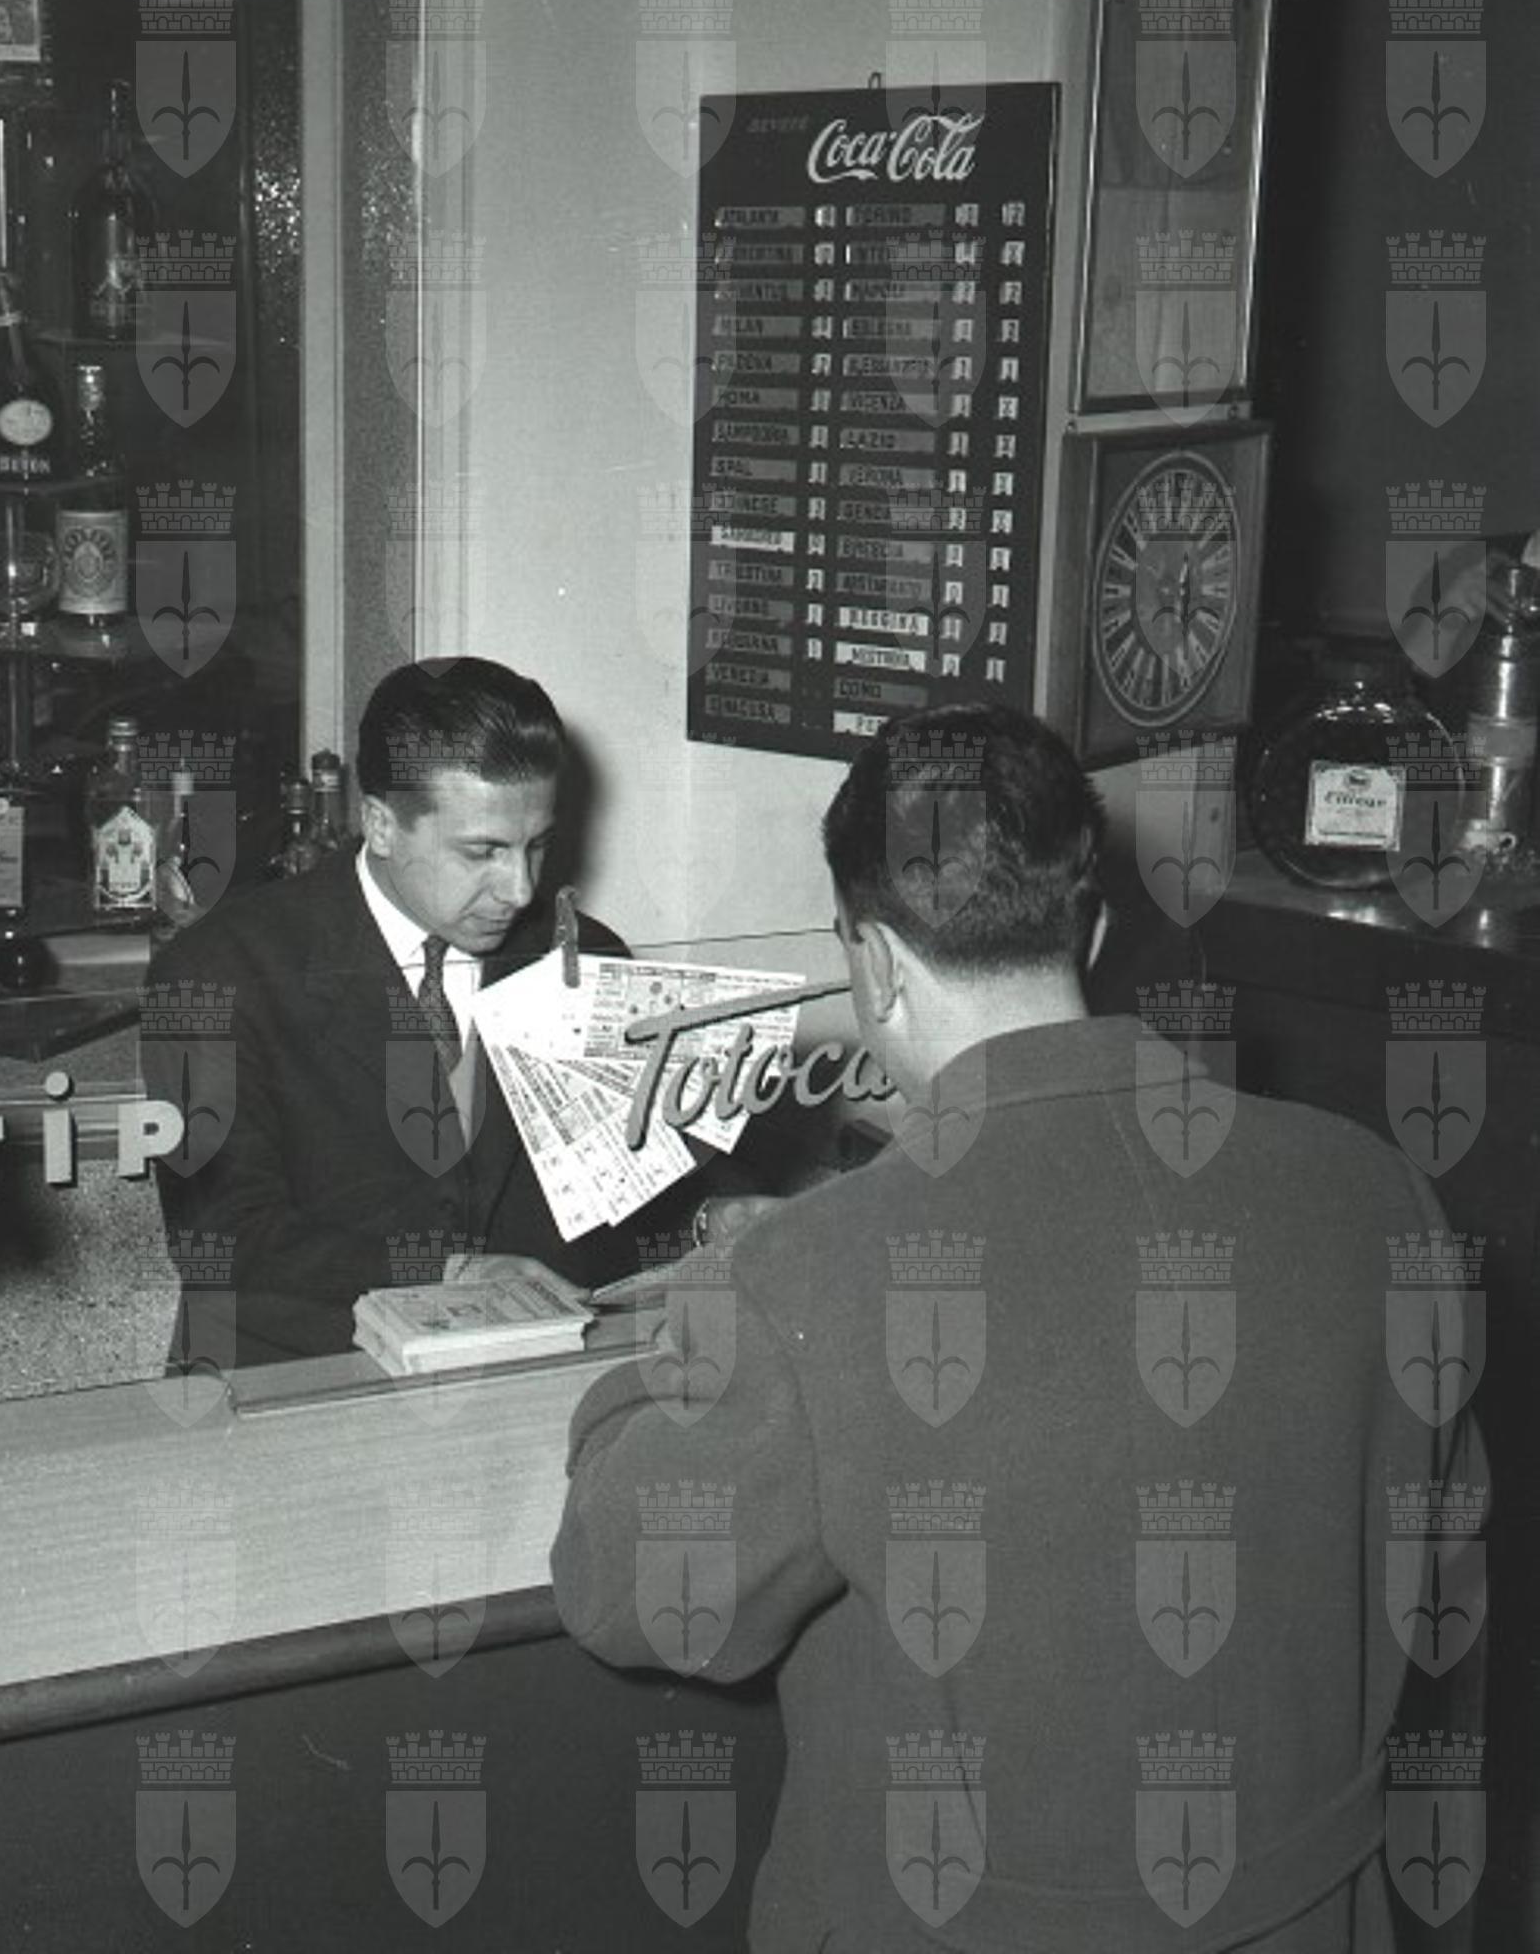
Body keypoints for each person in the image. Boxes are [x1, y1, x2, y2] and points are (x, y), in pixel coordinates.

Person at [550, 703, 1486, 1953]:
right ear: (1087, 929)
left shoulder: (812, 1274)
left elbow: (626, 1592)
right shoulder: (1378, 1190)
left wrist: (695, 1321)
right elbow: (1442, 1559)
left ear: (875, 962)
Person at [146, 656, 710, 1367]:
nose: (519, 889)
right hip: (304, 1376)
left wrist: (710, 1218)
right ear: (381, 825)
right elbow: (225, 1233)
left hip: (532, 1378)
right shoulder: (217, 972)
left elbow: (629, 1201)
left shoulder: (585, 958)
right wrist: (447, 1275)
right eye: (482, 852)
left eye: (536, 846)